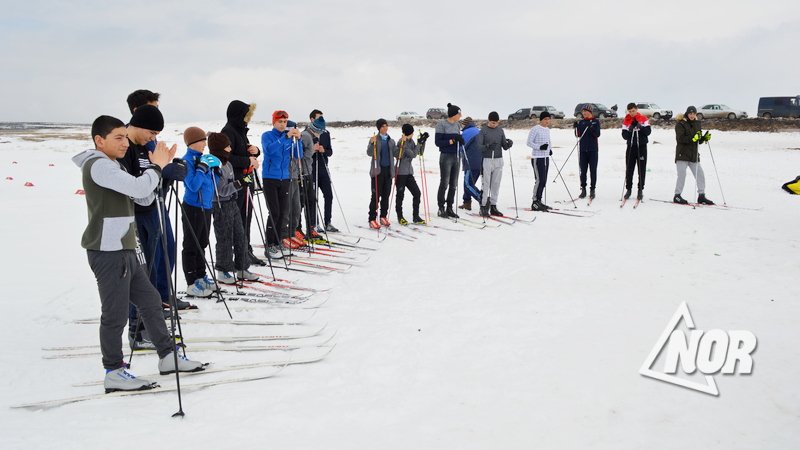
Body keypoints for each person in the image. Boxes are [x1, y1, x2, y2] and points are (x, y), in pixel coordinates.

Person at [72, 115, 205, 392]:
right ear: (99, 140)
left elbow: (142, 196)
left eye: (125, 137)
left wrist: (163, 175)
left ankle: (168, 356)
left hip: (124, 247)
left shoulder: (114, 165)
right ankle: (114, 371)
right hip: (108, 250)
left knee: (151, 300)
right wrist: (156, 168)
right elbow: (137, 187)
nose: (124, 143)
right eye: (117, 138)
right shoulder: (98, 165)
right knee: (115, 314)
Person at [118, 105, 192, 351]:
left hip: (151, 213)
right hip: (133, 217)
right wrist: (159, 170)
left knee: (148, 273)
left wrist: (168, 174)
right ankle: (136, 331)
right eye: (151, 132)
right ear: (137, 124)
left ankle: (147, 325)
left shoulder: (142, 147)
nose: (153, 138)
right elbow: (134, 186)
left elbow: (152, 179)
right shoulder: (125, 148)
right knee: (138, 277)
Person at [207, 132, 260, 282]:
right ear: (220, 148)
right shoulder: (215, 167)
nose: (230, 148)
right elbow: (221, 190)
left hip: (233, 203)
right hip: (221, 206)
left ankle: (242, 268)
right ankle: (223, 271)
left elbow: (233, 184)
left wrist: (245, 179)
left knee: (240, 235)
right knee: (225, 238)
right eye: (227, 146)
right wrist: (240, 183)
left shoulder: (228, 163)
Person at [220, 100, 263, 266]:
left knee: (246, 217)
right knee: (238, 219)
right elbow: (226, 157)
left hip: (246, 179)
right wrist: (247, 160)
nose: (248, 119)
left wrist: (255, 151)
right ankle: (240, 253)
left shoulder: (240, 130)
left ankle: (245, 251)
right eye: (246, 115)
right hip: (236, 181)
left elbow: (244, 151)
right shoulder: (228, 131)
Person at [180, 127, 217, 297]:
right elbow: (193, 186)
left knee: (202, 242)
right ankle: (191, 282)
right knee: (191, 244)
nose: (205, 144)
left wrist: (215, 171)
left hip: (206, 206)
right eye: (203, 141)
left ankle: (201, 276)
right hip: (193, 206)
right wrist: (202, 169)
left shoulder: (202, 158)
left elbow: (211, 183)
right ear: (194, 142)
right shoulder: (187, 161)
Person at [261, 110, 301, 258]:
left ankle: (278, 242)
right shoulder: (267, 136)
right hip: (270, 177)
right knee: (274, 212)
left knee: (284, 212)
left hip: (285, 177)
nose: (283, 124)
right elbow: (269, 150)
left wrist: (299, 140)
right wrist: (285, 137)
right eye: (280, 122)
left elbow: (298, 155)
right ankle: (269, 245)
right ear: (274, 122)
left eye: (284, 122)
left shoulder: (289, 138)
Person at [674, 106, 715, 205]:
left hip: (693, 155)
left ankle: (701, 196)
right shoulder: (680, 124)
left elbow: (698, 140)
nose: (692, 115)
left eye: (694, 114)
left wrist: (703, 138)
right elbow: (680, 139)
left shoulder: (697, 124)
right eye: (690, 113)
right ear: (687, 114)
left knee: (700, 175)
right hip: (682, 154)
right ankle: (677, 196)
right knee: (682, 175)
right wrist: (693, 138)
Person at [308, 110, 339, 232]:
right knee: (313, 198)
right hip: (312, 169)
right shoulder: (307, 133)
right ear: (312, 119)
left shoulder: (326, 133)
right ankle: (314, 223)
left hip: (324, 168)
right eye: (318, 118)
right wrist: (312, 149)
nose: (321, 120)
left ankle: (328, 222)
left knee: (329, 196)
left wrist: (323, 150)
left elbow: (330, 152)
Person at [476, 111, 512, 217]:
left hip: (498, 159)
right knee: (486, 184)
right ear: (488, 121)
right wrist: (487, 146)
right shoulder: (483, 131)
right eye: (492, 122)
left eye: (496, 123)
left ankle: (493, 206)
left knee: (496, 184)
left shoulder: (500, 130)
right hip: (487, 159)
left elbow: (504, 146)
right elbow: (479, 146)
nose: (494, 124)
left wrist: (509, 144)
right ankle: (483, 207)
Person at [434, 103, 463, 218]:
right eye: (459, 113)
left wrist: (460, 140)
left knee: (453, 184)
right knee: (444, 183)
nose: (460, 115)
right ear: (453, 114)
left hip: (456, 155)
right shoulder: (441, 124)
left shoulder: (457, 125)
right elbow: (438, 142)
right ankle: (441, 208)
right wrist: (451, 141)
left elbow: (458, 139)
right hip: (446, 156)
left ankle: (450, 207)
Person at [366, 118, 396, 229]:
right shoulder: (375, 139)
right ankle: (372, 218)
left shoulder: (391, 141)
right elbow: (369, 153)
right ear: (379, 128)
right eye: (383, 126)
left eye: (386, 126)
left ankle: (383, 216)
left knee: (386, 195)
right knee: (375, 196)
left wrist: (402, 144)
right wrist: (371, 143)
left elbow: (397, 153)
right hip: (377, 171)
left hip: (388, 171)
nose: (385, 128)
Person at [394, 124, 424, 225]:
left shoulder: (411, 141)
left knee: (417, 193)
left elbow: (419, 151)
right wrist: (419, 145)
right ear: (409, 133)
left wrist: (422, 142)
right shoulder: (401, 142)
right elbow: (413, 154)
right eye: (412, 132)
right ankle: (400, 217)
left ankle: (416, 216)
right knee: (400, 195)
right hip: (401, 173)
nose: (413, 134)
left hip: (409, 173)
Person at [621, 103, 652, 201]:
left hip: (641, 147)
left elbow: (648, 132)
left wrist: (640, 127)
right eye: (630, 111)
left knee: (641, 169)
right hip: (630, 147)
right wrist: (630, 130)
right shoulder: (626, 120)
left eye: (633, 111)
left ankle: (640, 190)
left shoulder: (643, 118)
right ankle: (628, 189)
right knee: (629, 169)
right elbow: (624, 136)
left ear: (637, 109)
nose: (631, 113)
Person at [527, 111, 553, 211]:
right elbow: (529, 142)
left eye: (548, 119)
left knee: (544, 180)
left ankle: (539, 200)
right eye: (545, 119)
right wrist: (539, 147)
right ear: (541, 119)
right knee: (539, 180)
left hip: (546, 157)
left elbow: (548, 141)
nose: (547, 121)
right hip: (537, 158)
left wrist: (550, 149)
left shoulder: (547, 130)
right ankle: (535, 202)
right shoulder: (535, 129)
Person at [574, 105, 601, 199]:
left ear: (590, 112)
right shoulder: (581, 122)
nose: (584, 113)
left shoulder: (595, 121)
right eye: (583, 112)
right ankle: (583, 189)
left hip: (593, 150)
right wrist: (576, 128)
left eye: (586, 111)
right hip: (583, 150)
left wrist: (591, 127)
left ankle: (592, 189)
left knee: (593, 170)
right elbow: (578, 135)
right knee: (583, 171)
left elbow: (597, 134)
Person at [458, 116, 482, 211]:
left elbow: (461, 148)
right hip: (480, 162)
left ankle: (481, 198)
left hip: (471, 162)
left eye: (462, 124)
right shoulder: (478, 130)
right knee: (469, 183)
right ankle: (467, 202)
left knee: (468, 184)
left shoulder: (467, 133)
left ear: (465, 124)